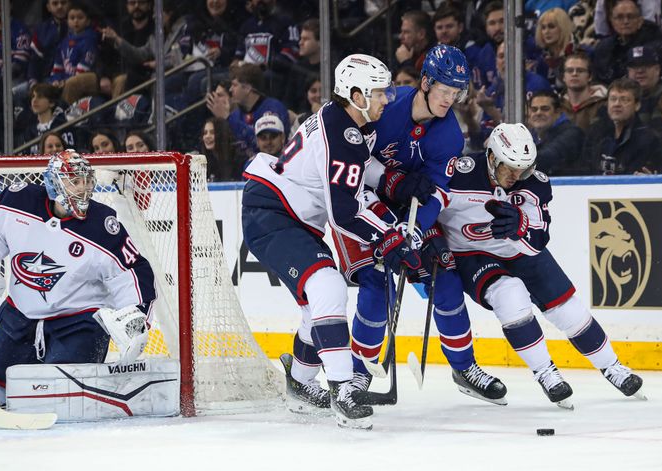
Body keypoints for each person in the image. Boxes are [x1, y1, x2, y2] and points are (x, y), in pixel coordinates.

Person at [334, 45, 508, 405]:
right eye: (444, 90)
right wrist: (389, 180)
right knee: (377, 284)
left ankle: (464, 367)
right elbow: (348, 156)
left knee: (444, 274)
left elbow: (439, 195)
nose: (450, 99)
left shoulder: (448, 136)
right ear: (426, 82)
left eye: (457, 92)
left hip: (408, 211)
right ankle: (358, 374)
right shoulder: (384, 107)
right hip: (360, 203)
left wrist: (415, 230)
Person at [242, 54, 405, 429]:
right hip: (272, 212)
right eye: (379, 92)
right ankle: (342, 388)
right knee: (327, 285)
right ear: (357, 94)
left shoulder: (350, 122)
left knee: (313, 307)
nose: (387, 99)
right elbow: (345, 214)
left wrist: (392, 183)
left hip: (290, 214)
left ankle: (299, 383)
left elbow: (357, 170)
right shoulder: (343, 132)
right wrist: (388, 237)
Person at [437, 123, 645, 407]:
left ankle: (613, 367)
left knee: (569, 310)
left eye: (522, 169)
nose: (515, 176)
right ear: (492, 158)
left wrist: (518, 226)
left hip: (520, 250)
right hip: (472, 254)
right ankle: (545, 372)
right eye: (509, 167)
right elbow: (426, 209)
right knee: (511, 297)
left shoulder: (535, 182)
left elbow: (537, 240)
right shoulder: (457, 174)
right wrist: (428, 238)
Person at [0, 150, 156, 406]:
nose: (83, 188)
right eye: (74, 180)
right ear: (53, 182)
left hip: (78, 325)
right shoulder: (16, 201)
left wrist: (137, 315)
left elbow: (134, 270)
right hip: (19, 320)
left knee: (57, 400)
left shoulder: (103, 225)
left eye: (86, 180)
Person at [580, 77, 662, 174]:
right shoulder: (595, 131)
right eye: (613, 99)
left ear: (637, 105)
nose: (617, 104)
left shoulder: (649, 140)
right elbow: (583, 169)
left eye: (624, 100)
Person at [527, 90, 585, 175]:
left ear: (557, 112)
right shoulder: (530, 135)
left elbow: (547, 158)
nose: (538, 113)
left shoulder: (572, 133)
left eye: (545, 109)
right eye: (534, 109)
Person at [559, 50, 607, 132]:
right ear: (563, 77)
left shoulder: (603, 104)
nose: (574, 74)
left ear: (590, 76)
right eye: (570, 71)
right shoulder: (556, 105)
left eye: (580, 71)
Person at [200, 117, 242, 181]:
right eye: (205, 133)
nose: (207, 136)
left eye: (212, 132)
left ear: (222, 135)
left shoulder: (238, 158)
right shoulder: (205, 160)